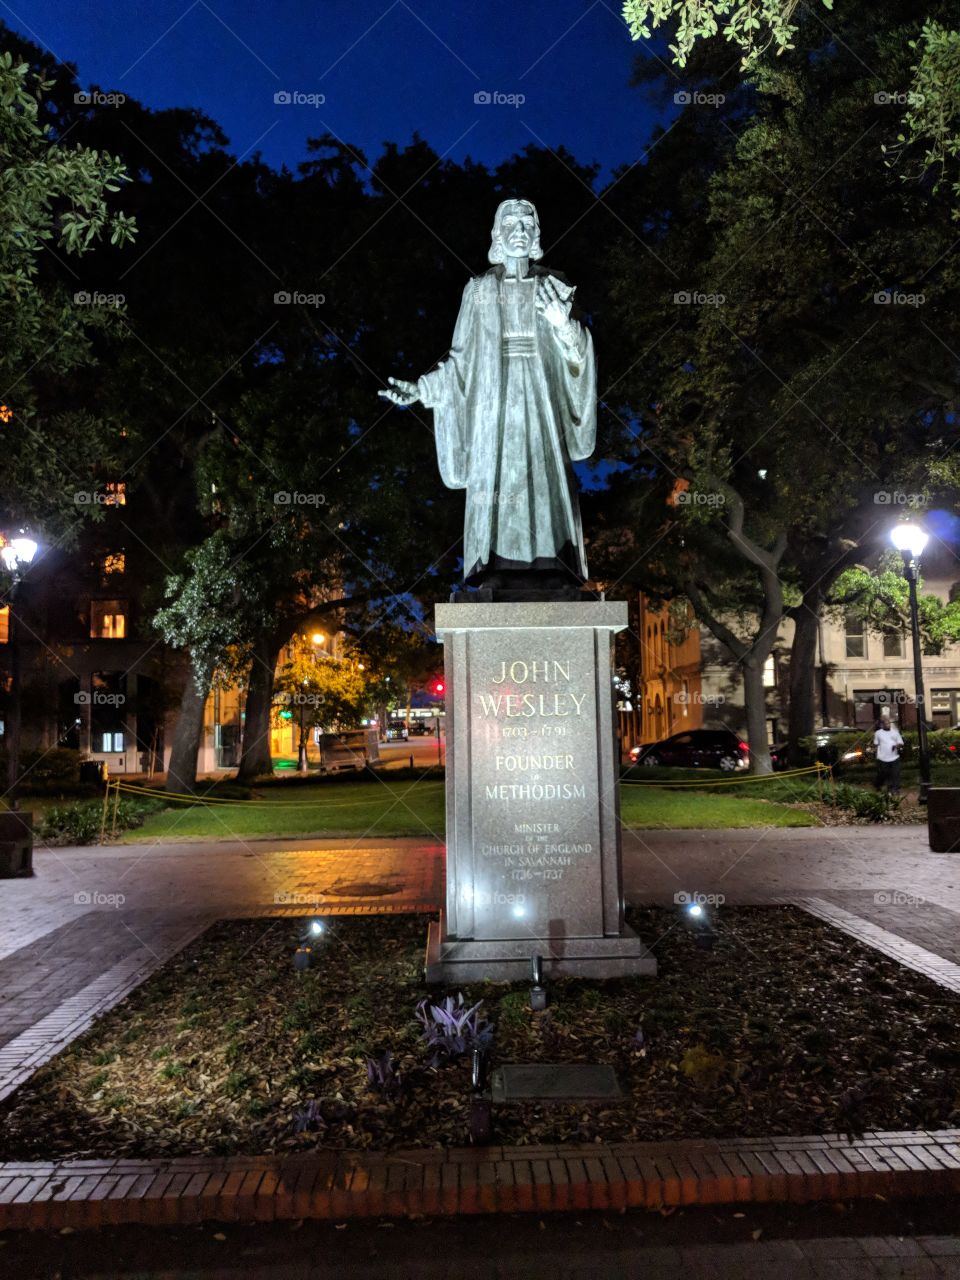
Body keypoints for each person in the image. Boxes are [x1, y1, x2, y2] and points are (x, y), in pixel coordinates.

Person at [378, 198, 596, 592]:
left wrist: (563, 325)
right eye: (509, 222)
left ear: (536, 236)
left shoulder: (554, 285)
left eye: (527, 223)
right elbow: (461, 362)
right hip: (493, 409)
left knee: (542, 472)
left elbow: (579, 357)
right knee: (500, 478)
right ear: (496, 235)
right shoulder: (478, 291)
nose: (519, 229)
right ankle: (497, 561)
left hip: (543, 404)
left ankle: (552, 562)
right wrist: (423, 388)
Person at [873, 718, 904, 793]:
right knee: (883, 774)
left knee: (895, 773)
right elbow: (876, 744)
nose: (888, 725)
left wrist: (897, 746)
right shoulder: (878, 733)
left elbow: (900, 743)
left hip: (894, 757)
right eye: (886, 724)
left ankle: (895, 789)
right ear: (882, 725)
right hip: (882, 758)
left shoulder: (895, 732)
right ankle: (878, 785)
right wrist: (876, 755)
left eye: (889, 723)